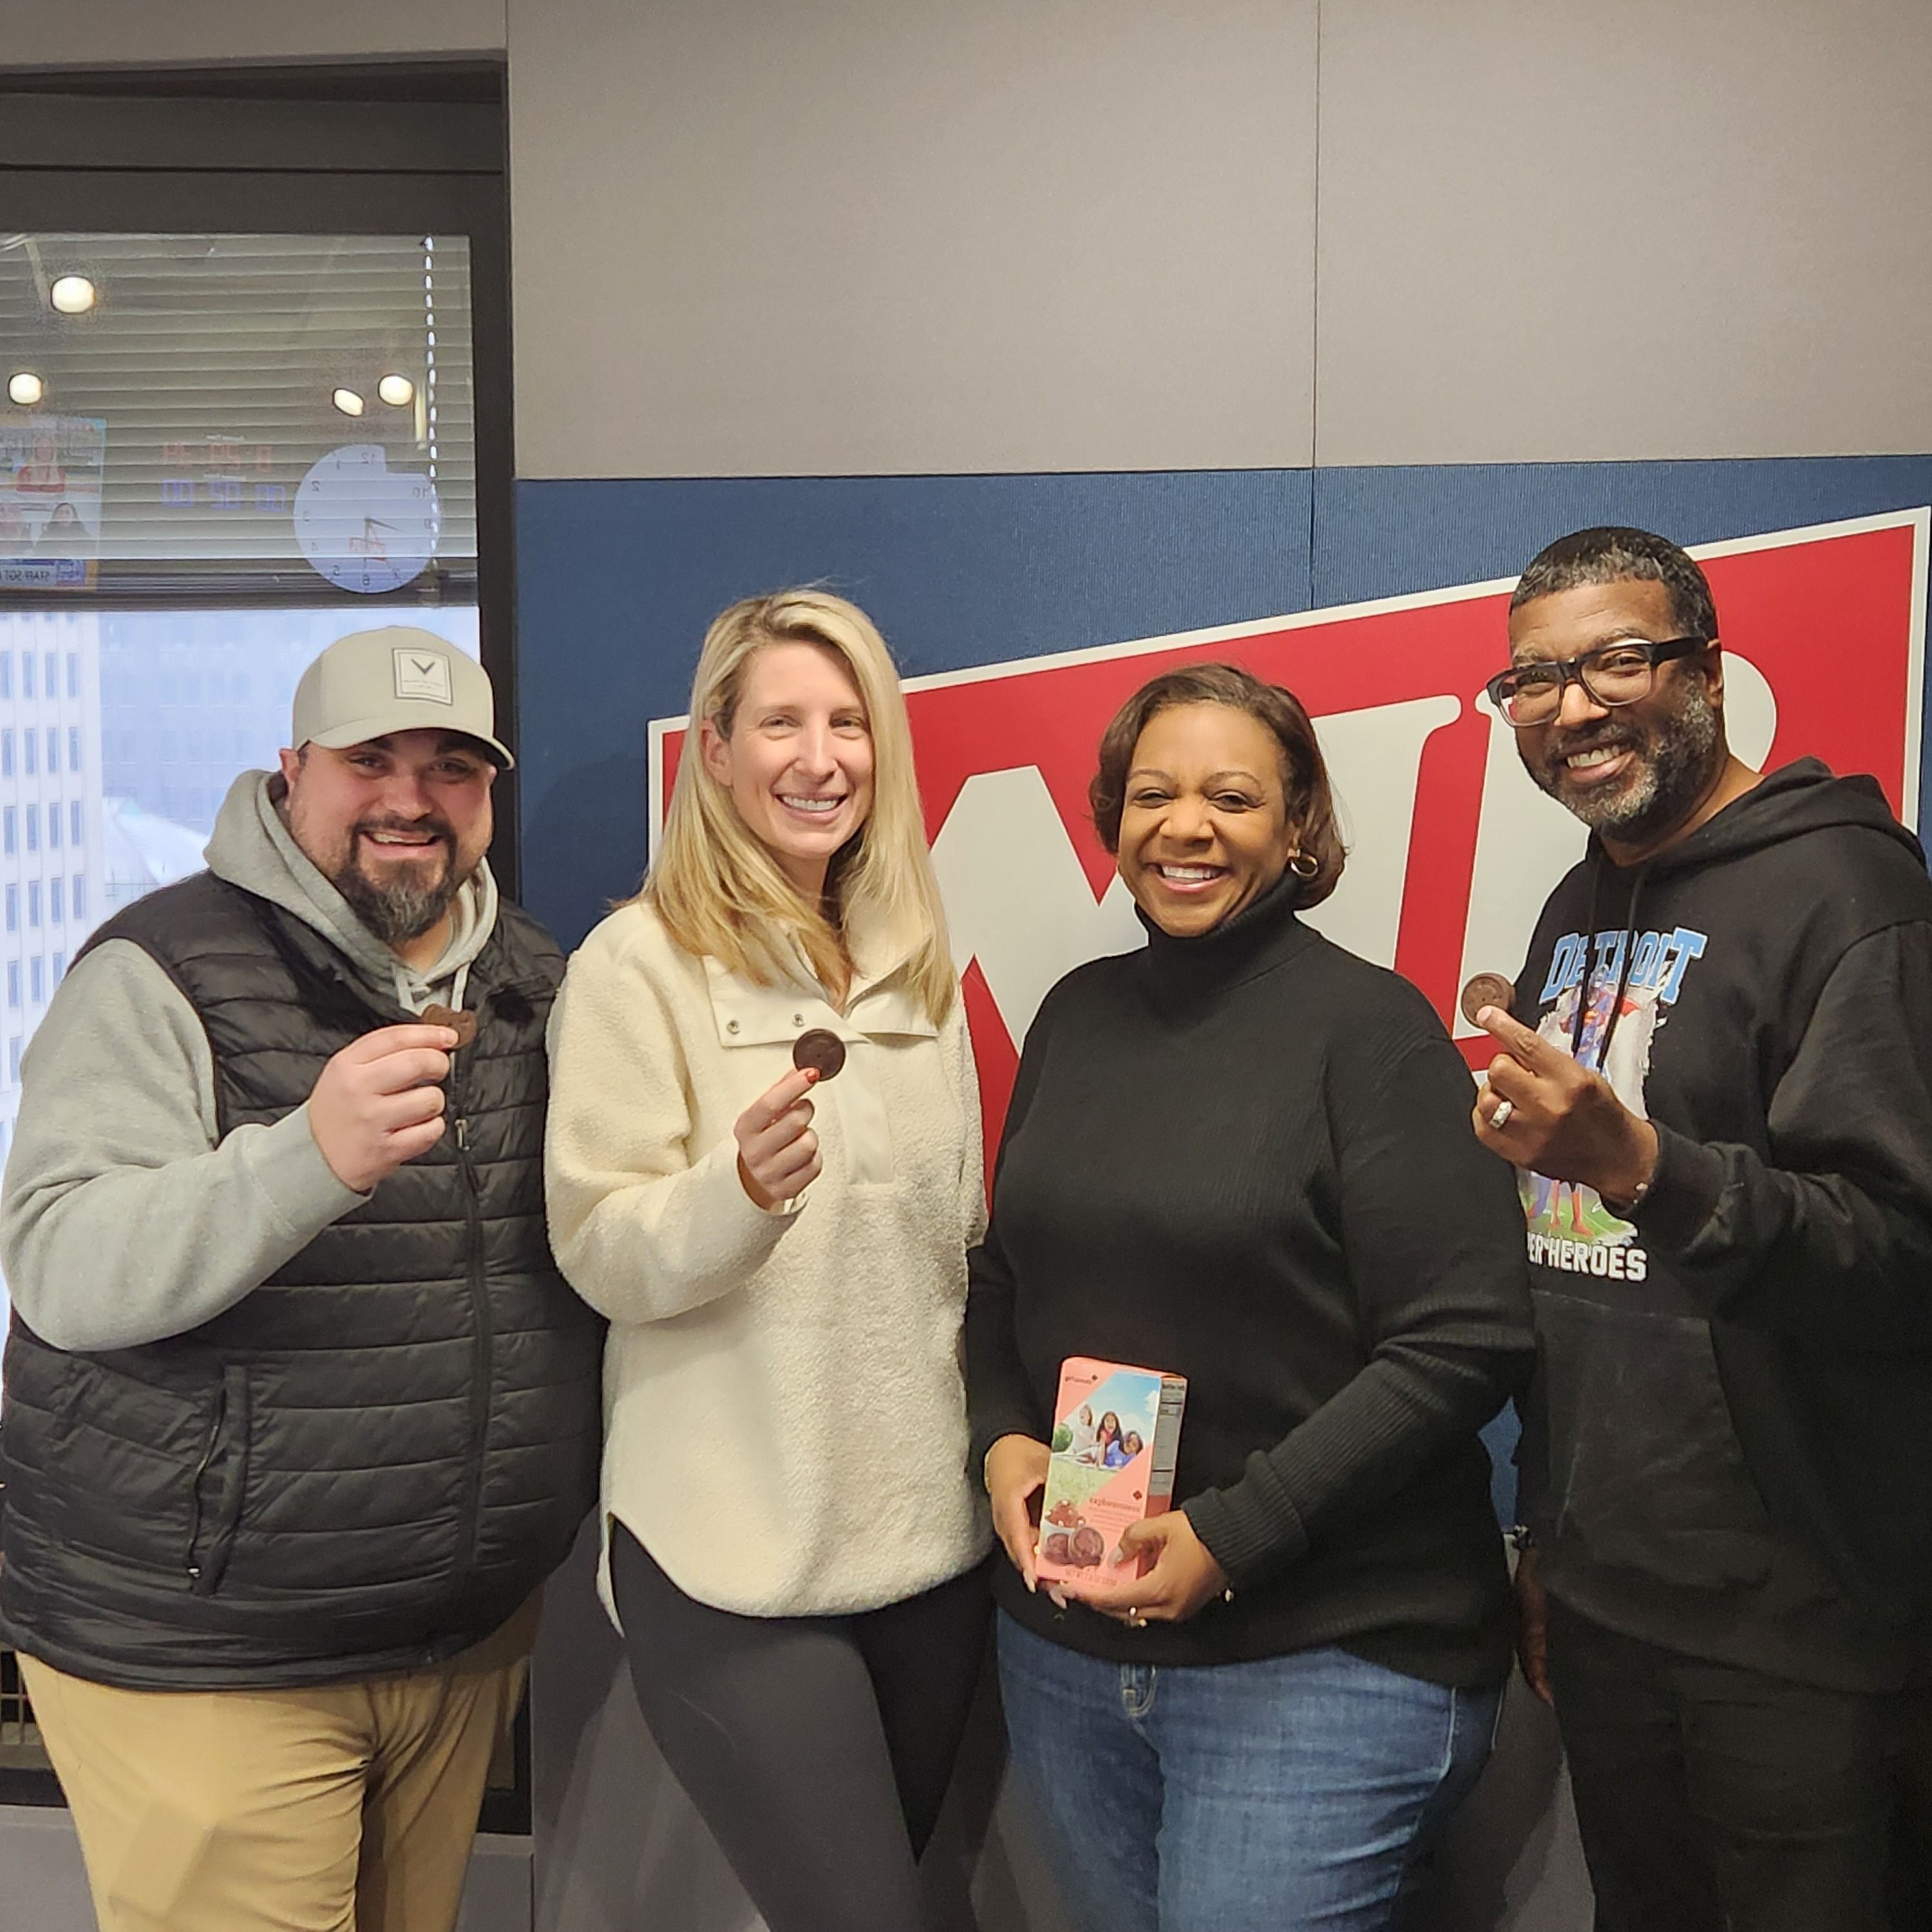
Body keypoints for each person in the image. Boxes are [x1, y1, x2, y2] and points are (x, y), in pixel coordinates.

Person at [0, 627, 603, 1932]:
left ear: (489, 792)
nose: (409, 799)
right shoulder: (161, 970)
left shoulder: (539, 983)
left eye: (451, 767)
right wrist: (305, 1159)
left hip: (455, 1641)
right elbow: (58, 1262)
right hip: (208, 1655)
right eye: (369, 760)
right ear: (292, 770)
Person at [967, 662, 1537, 1932]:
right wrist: (999, 1437)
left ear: (1297, 831)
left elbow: (1466, 1339)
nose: (1189, 827)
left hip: (1321, 1654)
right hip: (1070, 1644)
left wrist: (1236, 1533)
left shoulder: (1370, 1032)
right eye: (1154, 794)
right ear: (1113, 818)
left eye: (1232, 797)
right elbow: (1005, 1274)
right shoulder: (1075, 1015)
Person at [1471, 526, 1932, 1932]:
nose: (1574, 709)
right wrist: (1547, 1531)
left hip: (1801, 1628)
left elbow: (1903, 1259)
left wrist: (1643, 1162)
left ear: (1710, 670)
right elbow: (1571, 1268)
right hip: (1614, 1603)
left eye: (1617, 660)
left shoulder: (1848, 895)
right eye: (1534, 682)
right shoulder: (1573, 910)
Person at [544, 589, 990, 1932]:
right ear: (717, 754)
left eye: (850, 722)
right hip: (732, 1556)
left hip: (927, 1551)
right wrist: (733, 1197)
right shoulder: (639, 963)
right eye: (781, 721)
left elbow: (958, 1236)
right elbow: (597, 1247)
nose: (820, 755)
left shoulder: (917, 963)